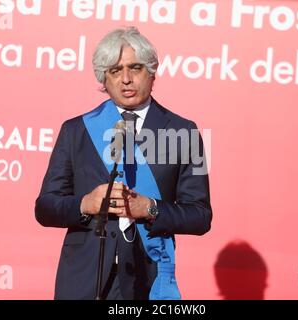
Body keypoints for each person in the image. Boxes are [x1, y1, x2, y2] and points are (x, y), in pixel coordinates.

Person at [35, 27, 212, 300]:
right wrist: (86, 204)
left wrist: (150, 208)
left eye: (135, 68)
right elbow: (45, 207)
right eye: (115, 71)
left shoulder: (186, 132)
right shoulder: (75, 130)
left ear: (152, 72)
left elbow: (201, 216)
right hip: (84, 279)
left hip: (147, 276)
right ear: (103, 79)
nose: (126, 79)